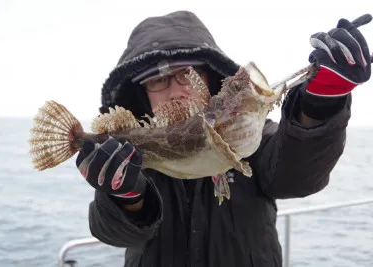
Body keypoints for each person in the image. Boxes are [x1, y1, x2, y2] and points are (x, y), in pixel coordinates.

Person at [75, 10, 371, 267]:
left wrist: (321, 103)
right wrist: (126, 197)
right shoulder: (133, 155)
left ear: (209, 79)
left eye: (187, 74)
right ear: (142, 94)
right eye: (157, 80)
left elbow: (297, 175)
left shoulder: (253, 135)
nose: (175, 91)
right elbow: (112, 233)